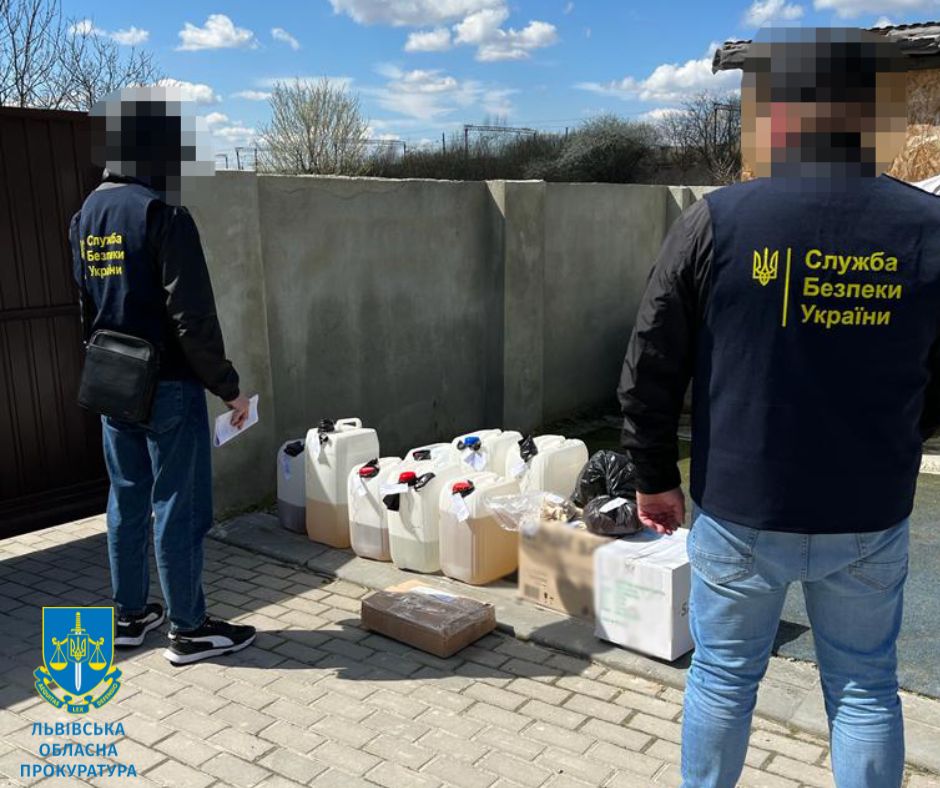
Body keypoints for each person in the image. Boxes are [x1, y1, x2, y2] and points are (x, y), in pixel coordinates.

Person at [617, 28, 936, 788]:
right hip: (869, 507)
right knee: (863, 686)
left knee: (723, 678)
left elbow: (651, 360)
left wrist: (653, 475)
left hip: (742, 505)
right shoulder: (930, 230)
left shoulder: (717, 221)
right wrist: (901, 435)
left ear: (784, 118)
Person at [69, 86, 256, 665]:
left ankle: (128, 616)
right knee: (178, 504)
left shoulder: (85, 216)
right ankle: (189, 628)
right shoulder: (162, 213)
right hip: (168, 386)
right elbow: (190, 316)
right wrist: (228, 387)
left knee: (126, 499)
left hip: (113, 382)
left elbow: (87, 307)